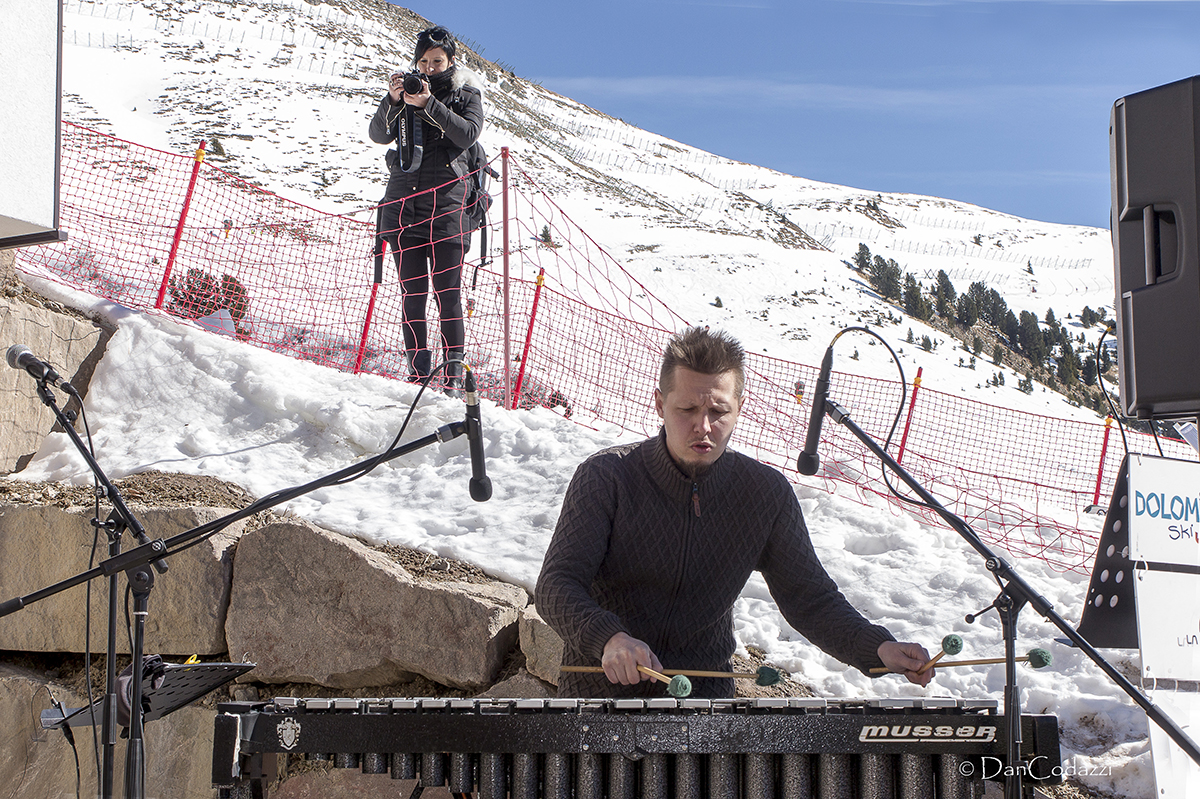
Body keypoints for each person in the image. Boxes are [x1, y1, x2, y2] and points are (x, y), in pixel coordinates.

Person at [535, 327, 934, 698]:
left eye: (718, 412)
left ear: (740, 408)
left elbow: (808, 598)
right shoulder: (607, 477)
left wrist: (877, 647)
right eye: (687, 409)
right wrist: (609, 638)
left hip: (705, 706)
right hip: (598, 698)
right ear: (659, 403)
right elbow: (556, 585)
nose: (703, 427)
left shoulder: (765, 494)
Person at [368, 26, 484, 393]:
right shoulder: (406, 92)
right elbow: (377, 135)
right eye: (424, 61)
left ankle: (451, 377)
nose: (430, 68)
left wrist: (428, 105)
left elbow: (467, 135)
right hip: (405, 210)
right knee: (412, 296)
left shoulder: (467, 95)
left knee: (447, 295)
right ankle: (419, 375)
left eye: (438, 61)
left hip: (448, 211)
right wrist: (393, 100)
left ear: (451, 61)